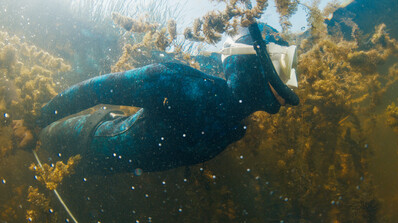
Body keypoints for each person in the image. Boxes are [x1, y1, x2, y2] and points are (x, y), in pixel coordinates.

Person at [34, 23, 299, 174]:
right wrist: (39, 120)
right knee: (39, 139)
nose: (284, 99)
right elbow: (95, 89)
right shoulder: (178, 83)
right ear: (251, 66)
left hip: (109, 162)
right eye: (282, 75)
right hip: (88, 139)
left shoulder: (236, 127)